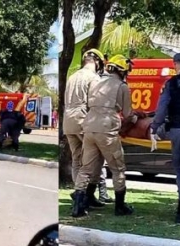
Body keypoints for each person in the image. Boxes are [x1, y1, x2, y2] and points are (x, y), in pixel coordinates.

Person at [72, 54, 137, 218]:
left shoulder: (95, 83)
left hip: (89, 128)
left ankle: (78, 206)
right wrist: (137, 117)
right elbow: (128, 113)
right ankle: (120, 206)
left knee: (86, 168)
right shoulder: (122, 86)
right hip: (107, 131)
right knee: (118, 168)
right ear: (122, 71)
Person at [150, 52, 180, 224]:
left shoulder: (170, 84)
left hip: (176, 132)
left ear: (175, 64)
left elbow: (161, 109)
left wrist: (155, 127)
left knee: (179, 172)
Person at [63, 48, 107, 209]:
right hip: (84, 119)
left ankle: (79, 194)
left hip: (68, 120)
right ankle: (85, 195)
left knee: (76, 159)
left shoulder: (72, 76)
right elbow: (95, 104)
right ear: (97, 62)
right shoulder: (94, 78)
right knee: (94, 159)